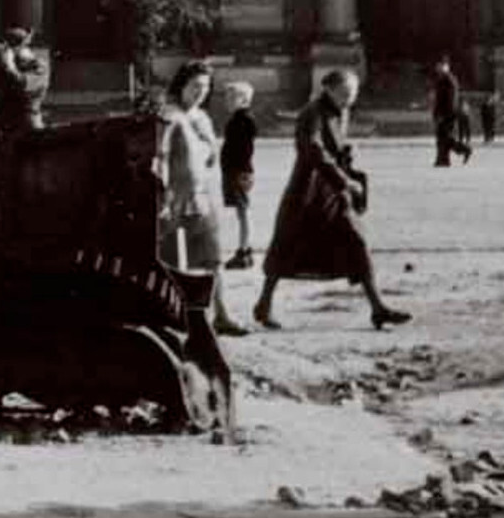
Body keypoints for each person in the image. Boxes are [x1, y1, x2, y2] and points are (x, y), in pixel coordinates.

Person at [252, 70, 411, 332]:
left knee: (356, 239)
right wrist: (343, 180)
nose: (350, 98)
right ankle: (264, 304)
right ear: (329, 89)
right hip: (308, 190)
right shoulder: (311, 112)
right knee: (286, 246)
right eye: (346, 93)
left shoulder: (339, 111)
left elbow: (332, 147)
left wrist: (346, 155)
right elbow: (312, 149)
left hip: (332, 190)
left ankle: (378, 308)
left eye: (354, 93)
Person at [158, 58, 244, 336]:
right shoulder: (169, 116)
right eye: (195, 86)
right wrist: (163, 197)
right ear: (182, 85)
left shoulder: (202, 118)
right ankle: (177, 318)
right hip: (175, 200)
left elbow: (210, 158)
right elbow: (160, 158)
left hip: (203, 196)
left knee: (213, 258)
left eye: (205, 87)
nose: (200, 92)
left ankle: (222, 314)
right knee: (175, 261)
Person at [218, 80, 260, 268]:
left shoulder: (243, 120)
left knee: (243, 211)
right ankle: (245, 249)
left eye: (231, 97)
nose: (226, 101)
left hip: (238, 171)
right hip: (236, 170)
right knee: (242, 211)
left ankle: (244, 250)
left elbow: (246, 149)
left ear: (244, 99)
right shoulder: (239, 119)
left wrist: (244, 172)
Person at [430, 57, 470, 168]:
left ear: (445, 67)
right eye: (437, 66)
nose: (437, 68)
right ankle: (443, 160)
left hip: (447, 114)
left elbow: (450, 100)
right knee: (442, 137)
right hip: (443, 113)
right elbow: (438, 99)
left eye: (440, 66)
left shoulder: (449, 80)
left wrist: (444, 114)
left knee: (444, 137)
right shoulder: (441, 79)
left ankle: (463, 150)